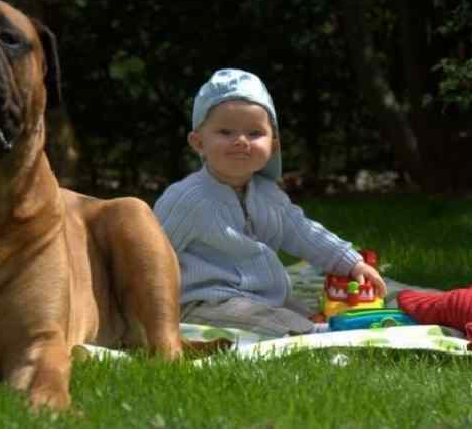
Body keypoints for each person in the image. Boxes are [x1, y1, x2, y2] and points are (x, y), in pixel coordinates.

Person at [153, 68, 386, 336]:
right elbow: (151, 252)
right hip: (205, 301)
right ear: (198, 142)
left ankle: (313, 325)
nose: (241, 141)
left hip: (263, 296)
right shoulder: (186, 199)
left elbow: (305, 233)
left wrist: (351, 262)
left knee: (299, 310)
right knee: (268, 318)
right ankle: (312, 335)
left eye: (254, 133)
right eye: (225, 132)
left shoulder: (269, 195)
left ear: (273, 146)